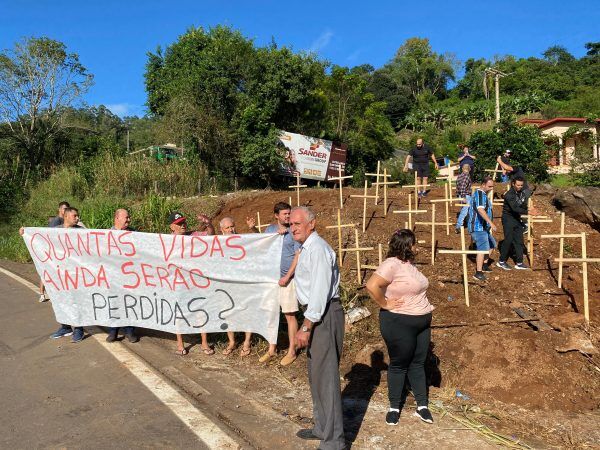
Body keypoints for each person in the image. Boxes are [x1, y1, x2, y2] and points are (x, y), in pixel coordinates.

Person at [366, 229, 435, 426]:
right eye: (414, 244)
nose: (417, 247)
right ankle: (394, 407)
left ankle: (422, 406)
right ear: (406, 245)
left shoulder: (409, 264)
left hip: (421, 322)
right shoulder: (391, 264)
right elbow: (372, 285)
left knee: (418, 363)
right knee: (399, 364)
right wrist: (385, 304)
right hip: (399, 323)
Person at [290, 206, 345, 450]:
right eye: (290, 224)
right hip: (316, 314)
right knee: (317, 375)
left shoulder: (319, 249)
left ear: (311, 224)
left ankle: (334, 441)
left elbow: (320, 291)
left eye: (297, 224)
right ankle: (322, 427)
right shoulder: (307, 248)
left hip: (322, 315)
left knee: (326, 378)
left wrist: (306, 325)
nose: (293, 228)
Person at [246, 202, 301, 366]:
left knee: (290, 315)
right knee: (271, 314)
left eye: (289, 213)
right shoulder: (270, 230)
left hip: (287, 280)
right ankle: (272, 349)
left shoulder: (294, 231)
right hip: (271, 280)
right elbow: (262, 244)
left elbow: (298, 255)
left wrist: (288, 276)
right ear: (276, 215)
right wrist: (253, 230)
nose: (288, 216)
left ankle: (292, 351)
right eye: (284, 214)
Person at [20, 208, 86, 342]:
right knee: (60, 300)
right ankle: (65, 327)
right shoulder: (54, 231)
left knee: (76, 301)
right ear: (66, 216)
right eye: (75, 215)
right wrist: (24, 232)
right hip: (58, 274)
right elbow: (38, 238)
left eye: (78, 215)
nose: (77, 218)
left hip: (75, 274)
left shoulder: (80, 231)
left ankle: (79, 329)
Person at [169, 211, 215, 356]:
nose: (183, 225)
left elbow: (210, 236)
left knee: (200, 310)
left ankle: (204, 343)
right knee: (179, 312)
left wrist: (209, 224)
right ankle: (180, 343)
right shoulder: (165, 241)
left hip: (195, 281)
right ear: (172, 227)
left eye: (184, 222)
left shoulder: (193, 235)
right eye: (179, 223)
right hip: (177, 282)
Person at [219, 217, 252, 357]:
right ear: (221, 230)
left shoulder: (243, 241)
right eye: (227, 228)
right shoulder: (217, 244)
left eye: (232, 226)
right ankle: (232, 342)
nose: (230, 229)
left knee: (246, 312)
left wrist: (252, 228)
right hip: (226, 286)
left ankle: (247, 342)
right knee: (228, 314)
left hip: (242, 284)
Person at [106, 209, 139, 343]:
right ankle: (113, 331)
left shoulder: (135, 234)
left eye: (129, 217)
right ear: (117, 218)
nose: (129, 220)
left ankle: (129, 331)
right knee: (114, 302)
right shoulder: (106, 235)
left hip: (129, 276)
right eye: (126, 217)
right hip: (113, 276)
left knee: (129, 303)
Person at [497, 176, 536, 271]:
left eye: (521, 185)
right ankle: (501, 261)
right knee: (508, 240)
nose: (519, 186)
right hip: (508, 219)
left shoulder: (520, 193)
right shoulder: (509, 194)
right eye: (518, 185)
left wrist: (528, 209)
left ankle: (519, 263)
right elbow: (515, 208)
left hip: (517, 219)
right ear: (513, 184)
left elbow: (522, 206)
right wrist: (529, 212)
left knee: (519, 241)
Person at [38, 201, 71, 303]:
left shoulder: (65, 220)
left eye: (67, 209)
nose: (66, 211)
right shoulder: (56, 221)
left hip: (61, 252)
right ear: (60, 209)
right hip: (52, 251)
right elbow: (50, 236)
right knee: (47, 272)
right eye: (64, 209)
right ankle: (42, 294)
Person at [467, 176, 497, 281]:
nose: (491, 188)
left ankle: (484, 265)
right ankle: (478, 273)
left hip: (484, 227)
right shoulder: (479, 194)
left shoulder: (484, 195)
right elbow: (480, 210)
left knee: (492, 245)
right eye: (489, 186)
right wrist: (491, 223)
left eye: (492, 186)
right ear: (483, 185)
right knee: (482, 249)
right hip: (477, 227)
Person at [455, 164, 472, 233]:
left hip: (461, 195)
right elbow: (462, 187)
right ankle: (458, 226)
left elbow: (457, 186)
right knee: (464, 212)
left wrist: (459, 196)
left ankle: (468, 225)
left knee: (466, 211)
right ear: (468, 169)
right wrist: (463, 197)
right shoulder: (466, 176)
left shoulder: (459, 176)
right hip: (465, 196)